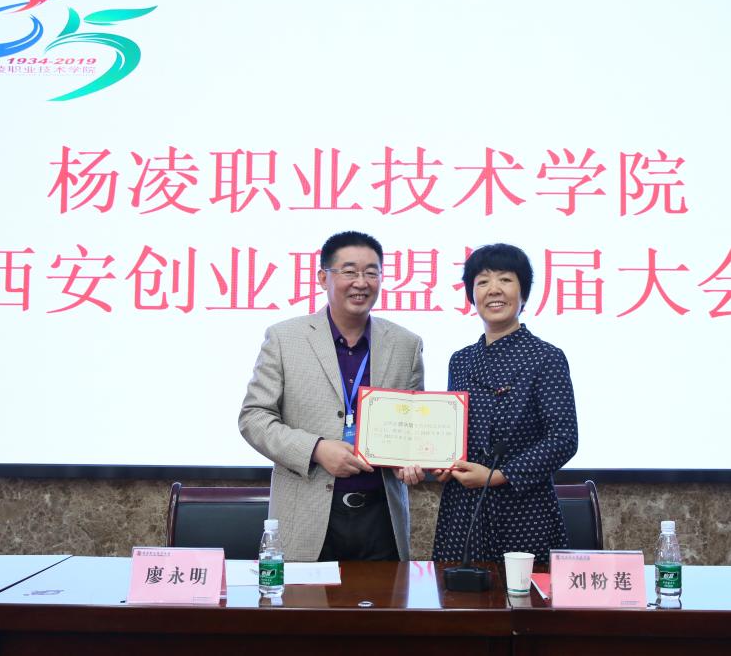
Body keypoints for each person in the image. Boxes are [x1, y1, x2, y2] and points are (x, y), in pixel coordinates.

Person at [240, 231, 424, 562]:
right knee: (303, 599)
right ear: (323, 277)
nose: (361, 282)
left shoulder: (405, 344)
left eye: (371, 272)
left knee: (386, 598)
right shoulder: (285, 338)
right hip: (307, 517)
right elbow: (254, 417)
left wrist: (412, 458)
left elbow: (415, 425)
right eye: (349, 271)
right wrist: (316, 449)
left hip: (381, 520)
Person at [399, 243, 577, 564]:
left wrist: (498, 475)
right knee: (457, 592)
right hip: (463, 509)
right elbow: (455, 434)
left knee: (523, 594)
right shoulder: (461, 360)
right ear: (472, 295)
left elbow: (563, 439)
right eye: (482, 282)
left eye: (505, 279)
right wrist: (443, 462)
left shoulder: (546, 357)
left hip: (525, 509)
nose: (494, 289)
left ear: (524, 294)